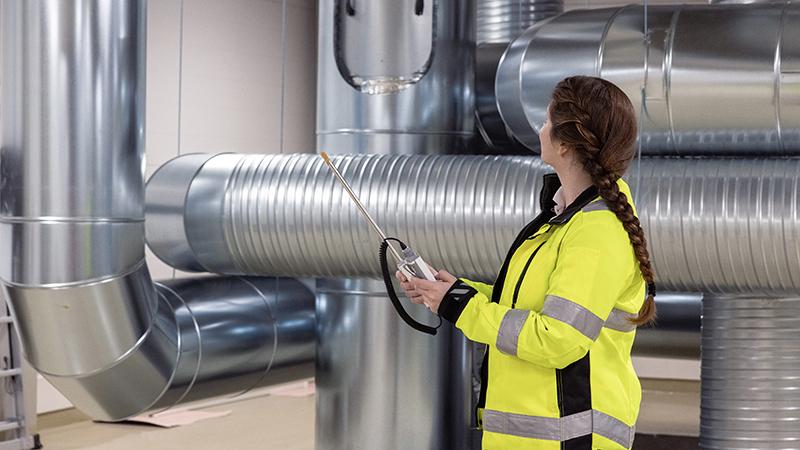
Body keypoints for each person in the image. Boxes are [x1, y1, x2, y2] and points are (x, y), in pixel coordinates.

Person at [397, 76, 656, 450]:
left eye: (548, 122)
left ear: (566, 144)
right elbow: (524, 309)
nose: (541, 130)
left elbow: (558, 339)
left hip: (569, 439)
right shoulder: (561, 224)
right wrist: (453, 293)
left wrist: (460, 307)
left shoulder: (596, 233)